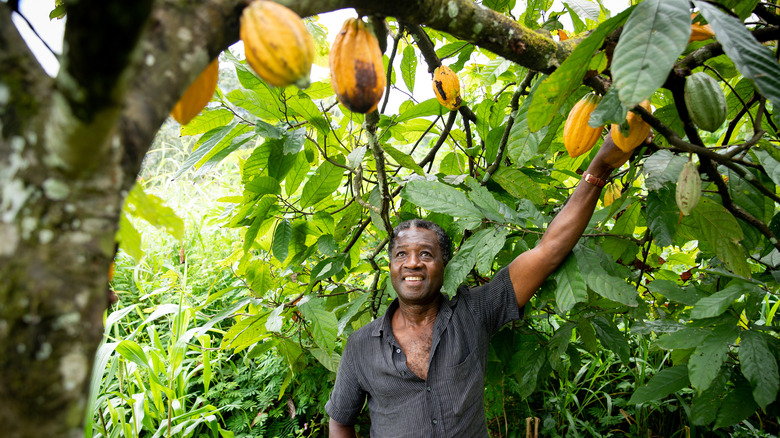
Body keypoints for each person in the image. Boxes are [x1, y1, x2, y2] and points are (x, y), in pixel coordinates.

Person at [326, 134, 634, 437]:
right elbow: (341, 420)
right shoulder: (360, 346)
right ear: (391, 266)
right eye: (401, 255)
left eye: (425, 254)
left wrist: (600, 166)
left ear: (446, 265)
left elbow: (547, 252)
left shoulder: (475, 311)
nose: (413, 263)